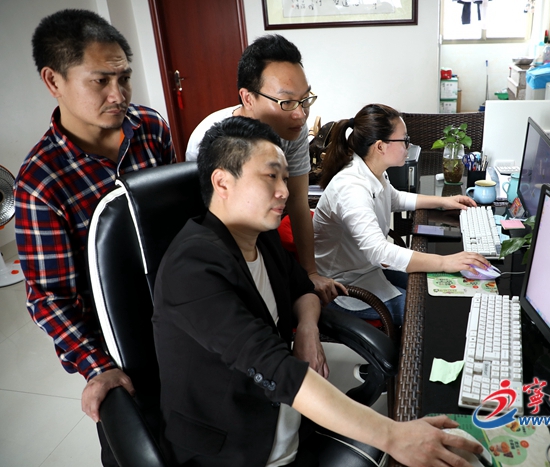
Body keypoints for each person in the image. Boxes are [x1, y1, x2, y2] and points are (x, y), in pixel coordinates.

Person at [153, 115, 483, 466]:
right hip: (238, 448)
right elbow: (273, 367)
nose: (285, 191)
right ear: (222, 182)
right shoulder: (192, 268)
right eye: (270, 176)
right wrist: (393, 435)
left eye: (284, 177)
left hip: (289, 416)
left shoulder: (257, 236)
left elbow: (304, 289)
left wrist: (308, 329)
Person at [13, 9, 175, 464]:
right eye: (100, 81)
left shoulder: (151, 130)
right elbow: (49, 297)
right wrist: (97, 365)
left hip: (179, 310)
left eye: (124, 78)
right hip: (117, 343)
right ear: (54, 80)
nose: (118, 95)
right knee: (138, 445)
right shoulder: (42, 183)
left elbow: (179, 220)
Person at [184, 34, 341, 305]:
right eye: (286, 102)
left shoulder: (294, 128)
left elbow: (298, 201)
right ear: (248, 98)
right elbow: (214, 226)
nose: (300, 114)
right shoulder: (214, 143)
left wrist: (310, 273)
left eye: (305, 99)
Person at [313, 104, 490, 327]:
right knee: (427, 311)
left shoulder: (371, 170)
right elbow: (379, 252)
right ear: (380, 146)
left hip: (367, 269)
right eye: (405, 140)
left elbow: (394, 198)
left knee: (436, 286)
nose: (410, 146)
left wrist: (443, 201)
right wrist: (445, 262)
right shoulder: (351, 188)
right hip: (343, 287)